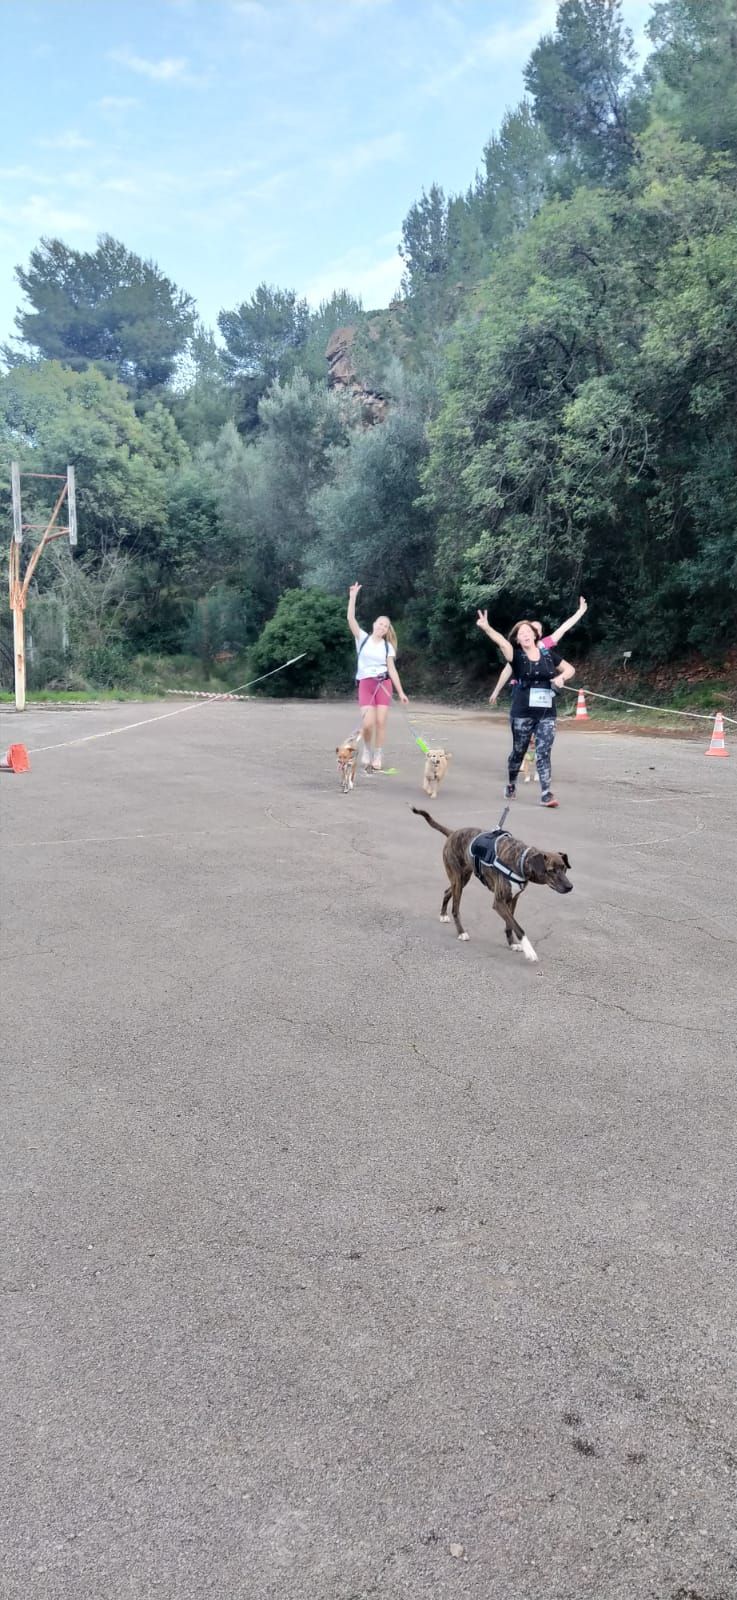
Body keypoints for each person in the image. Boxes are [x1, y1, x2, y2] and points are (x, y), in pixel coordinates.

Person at [476, 612, 575, 807]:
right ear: (517, 639)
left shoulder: (548, 655)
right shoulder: (516, 656)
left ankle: (546, 793)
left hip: (546, 713)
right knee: (518, 751)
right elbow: (502, 642)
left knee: (543, 751)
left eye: (528, 631)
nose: (526, 634)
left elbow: (570, 669)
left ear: (535, 635)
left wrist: (561, 678)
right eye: (521, 633)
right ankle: (511, 783)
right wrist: (486, 628)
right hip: (522, 712)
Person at [347, 582, 408, 771]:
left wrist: (401, 692)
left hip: (383, 685)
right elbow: (351, 618)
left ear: (387, 630)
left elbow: (392, 670)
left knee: (381, 722)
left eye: (386, 626)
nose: (382, 627)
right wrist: (353, 597)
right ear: (374, 624)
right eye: (380, 624)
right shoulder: (362, 638)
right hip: (366, 684)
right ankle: (367, 749)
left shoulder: (388, 647)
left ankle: (378, 753)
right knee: (367, 724)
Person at [489, 596, 587, 706]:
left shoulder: (545, 644)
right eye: (530, 629)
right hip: (523, 693)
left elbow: (563, 628)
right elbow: (506, 671)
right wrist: (496, 691)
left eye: (536, 630)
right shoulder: (518, 652)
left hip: (543, 696)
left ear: (538, 634)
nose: (530, 633)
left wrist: (580, 612)